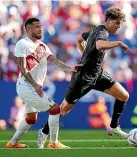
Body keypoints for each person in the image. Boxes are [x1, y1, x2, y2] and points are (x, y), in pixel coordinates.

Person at [40, 6, 131, 147]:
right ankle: (44, 132)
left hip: (97, 74)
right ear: (108, 21)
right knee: (63, 109)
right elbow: (100, 45)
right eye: (117, 23)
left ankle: (113, 126)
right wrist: (118, 43)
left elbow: (78, 39)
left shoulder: (96, 30)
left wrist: (85, 54)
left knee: (123, 95)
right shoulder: (102, 32)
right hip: (83, 78)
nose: (119, 27)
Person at [5, 18, 81, 149]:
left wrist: (70, 68)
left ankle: (12, 143)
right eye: (37, 27)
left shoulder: (42, 46)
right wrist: (35, 85)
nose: (41, 29)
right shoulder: (22, 44)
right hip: (26, 86)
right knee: (55, 109)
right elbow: (23, 69)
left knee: (31, 119)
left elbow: (54, 60)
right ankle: (53, 143)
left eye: (41, 26)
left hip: (32, 87)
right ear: (29, 29)